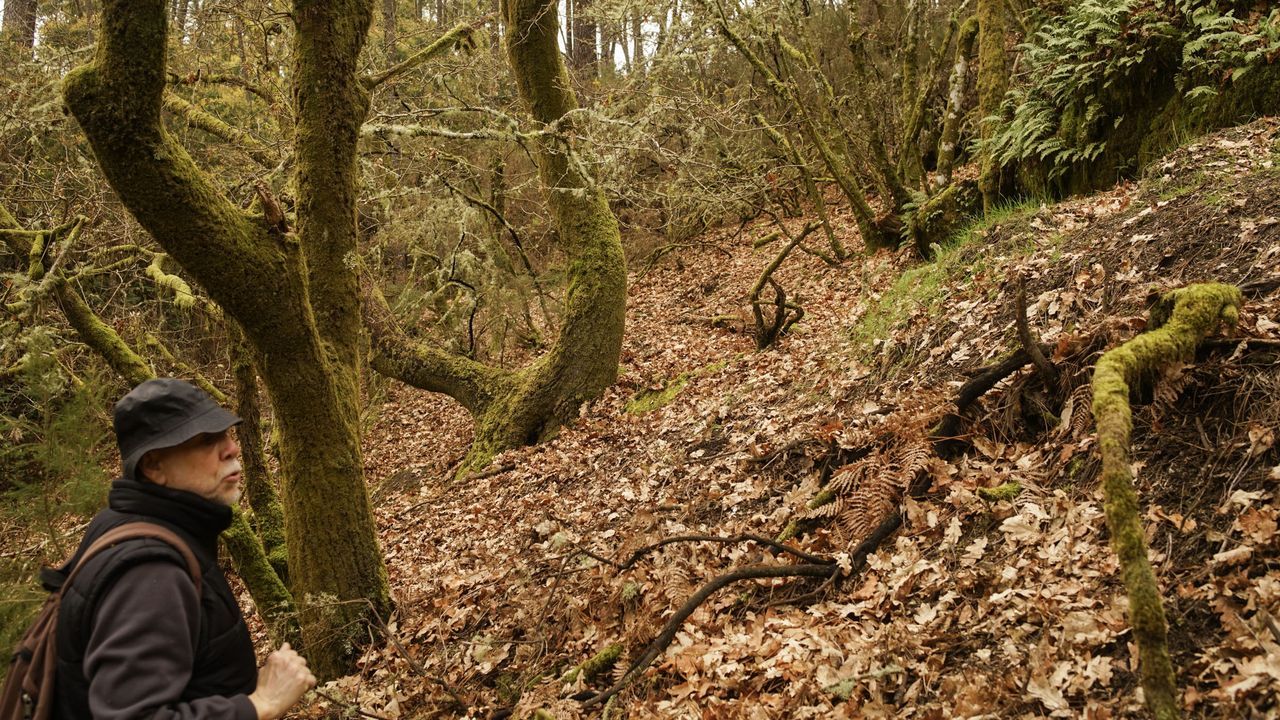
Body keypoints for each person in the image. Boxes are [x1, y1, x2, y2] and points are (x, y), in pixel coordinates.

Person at [49, 378, 316, 719]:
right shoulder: (148, 572)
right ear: (153, 466)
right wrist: (260, 704)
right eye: (206, 440)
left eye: (226, 434)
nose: (231, 449)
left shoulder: (126, 524)